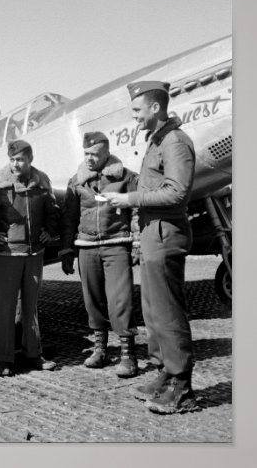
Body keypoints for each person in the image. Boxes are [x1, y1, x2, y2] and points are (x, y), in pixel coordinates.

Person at [103, 81, 199, 414]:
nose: (134, 118)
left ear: (155, 108)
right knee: (153, 311)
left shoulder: (174, 142)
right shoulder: (157, 141)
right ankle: (163, 372)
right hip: (150, 234)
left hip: (165, 235)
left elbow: (177, 193)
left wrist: (128, 198)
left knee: (169, 312)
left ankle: (181, 386)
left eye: (137, 111)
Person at [0, 140, 59, 377]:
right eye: (12, 159)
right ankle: (3, 359)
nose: (15, 164)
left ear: (30, 159)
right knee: (6, 307)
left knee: (31, 308)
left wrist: (49, 232)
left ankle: (34, 354)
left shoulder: (42, 182)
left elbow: (53, 210)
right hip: (8, 255)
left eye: (20, 159)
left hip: (34, 254)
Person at [60, 131, 139, 378]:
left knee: (120, 299)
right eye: (86, 154)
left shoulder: (126, 178)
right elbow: (69, 217)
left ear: (106, 153)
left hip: (117, 244)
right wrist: (66, 250)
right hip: (86, 246)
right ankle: (100, 349)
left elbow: (137, 210)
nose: (90, 158)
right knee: (92, 301)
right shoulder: (77, 182)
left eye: (94, 154)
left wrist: (136, 243)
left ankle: (128, 355)